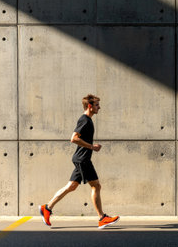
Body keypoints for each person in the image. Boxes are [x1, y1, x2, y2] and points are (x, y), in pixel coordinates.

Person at [39, 94, 119, 229]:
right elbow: (73, 138)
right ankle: (102, 218)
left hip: (81, 158)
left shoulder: (88, 120)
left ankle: (47, 208)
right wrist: (92, 146)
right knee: (96, 186)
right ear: (90, 106)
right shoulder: (85, 120)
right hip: (83, 159)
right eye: (97, 105)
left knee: (71, 186)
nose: (99, 107)